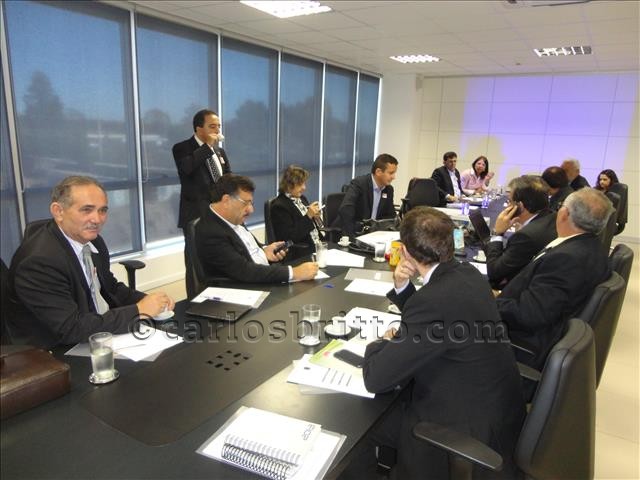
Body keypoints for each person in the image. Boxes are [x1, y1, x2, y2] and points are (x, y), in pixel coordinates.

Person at [349, 207, 525, 479]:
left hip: (460, 431)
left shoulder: (434, 301)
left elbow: (375, 378)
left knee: (357, 430)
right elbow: (434, 322)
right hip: (497, 415)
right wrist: (402, 286)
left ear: (405, 251)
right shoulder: (468, 274)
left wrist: (380, 342)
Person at [8, 176, 174, 349]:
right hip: (52, 351)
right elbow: (71, 328)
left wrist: (149, 301)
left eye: (102, 210)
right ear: (58, 211)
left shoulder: (93, 242)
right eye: (86, 210)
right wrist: (138, 310)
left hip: (92, 332)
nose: (97, 219)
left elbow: (111, 288)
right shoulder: (39, 262)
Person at [496, 188, 613, 371]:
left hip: (516, 342)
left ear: (564, 213)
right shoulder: (590, 247)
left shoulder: (567, 259)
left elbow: (528, 315)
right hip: (538, 326)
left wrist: (489, 301)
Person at [196, 173, 318, 283]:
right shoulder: (211, 231)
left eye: (251, 203)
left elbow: (247, 248)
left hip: (261, 275)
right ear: (226, 200)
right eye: (245, 203)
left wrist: (264, 251)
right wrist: (293, 273)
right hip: (242, 289)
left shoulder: (232, 218)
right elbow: (244, 270)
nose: (251, 210)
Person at [173, 109, 231, 295]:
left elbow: (228, 178)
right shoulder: (182, 148)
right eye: (212, 126)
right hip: (195, 214)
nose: (217, 130)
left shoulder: (219, 151)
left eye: (219, 126)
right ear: (199, 129)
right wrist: (207, 147)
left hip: (219, 213)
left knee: (218, 257)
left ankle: (219, 295)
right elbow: (187, 168)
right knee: (195, 261)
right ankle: (195, 299)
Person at [486, 175, 558, 288]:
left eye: (509, 201)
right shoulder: (552, 216)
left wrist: (497, 233)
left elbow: (494, 272)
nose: (507, 206)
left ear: (520, 206)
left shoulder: (526, 236)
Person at [333, 154, 398, 237]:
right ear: (378, 172)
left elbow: (390, 216)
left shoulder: (388, 190)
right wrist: (352, 237)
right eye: (391, 173)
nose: (394, 177)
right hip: (352, 232)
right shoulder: (359, 184)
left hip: (373, 235)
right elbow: (346, 210)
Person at [271, 165, 323, 259]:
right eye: (300, 184)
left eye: (304, 183)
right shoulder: (279, 206)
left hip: (318, 244)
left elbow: (311, 226)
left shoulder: (302, 199)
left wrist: (316, 217)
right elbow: (290, 238)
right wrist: (308, 216)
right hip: (301, 252)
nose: (304, 188)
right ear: (288, 185)